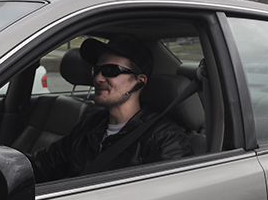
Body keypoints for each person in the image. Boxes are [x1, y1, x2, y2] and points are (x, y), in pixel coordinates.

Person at [30, 35, 193, 183]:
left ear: (139, 81)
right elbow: (42, 166)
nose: (98, 78)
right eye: (97, 70)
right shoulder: (90, 125)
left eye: (111, 71)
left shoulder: (165, 139)